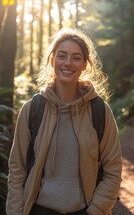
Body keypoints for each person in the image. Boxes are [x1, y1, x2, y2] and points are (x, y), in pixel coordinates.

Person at [6, 28, 122, 215]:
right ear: (52, 60)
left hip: (85, 211)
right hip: (39, 210)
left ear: (85, 64)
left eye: (76, 58)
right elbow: (17, 169)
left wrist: (96, 211)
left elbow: (113, 170)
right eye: (62, 56)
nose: (68, 63)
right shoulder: (32, 109)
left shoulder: (99, 111)